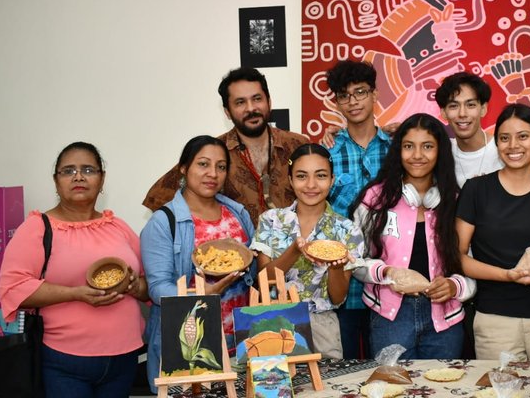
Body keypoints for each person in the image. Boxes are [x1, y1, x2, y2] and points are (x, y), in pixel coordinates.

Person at [0, 142, 149, 398]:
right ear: (56, 181)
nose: (78, 176)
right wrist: (76, 293)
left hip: (124, 358)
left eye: (88, 170)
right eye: (68, 171)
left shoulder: (117, 227)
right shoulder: (38, 227)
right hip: (64, 362)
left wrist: (134, 286)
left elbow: (149, 285)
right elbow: (13, 289)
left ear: (102, 180)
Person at [456, 103, 530, 361]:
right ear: (496, 144)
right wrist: (508, 275)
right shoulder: (476, 190)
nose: (513, 146)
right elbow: (458, 257)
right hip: (496, 321)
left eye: (523, 136)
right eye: (504, 138)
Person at [352, 113, 475, 359]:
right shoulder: (375, 199)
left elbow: (473, 262)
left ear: (440, 151)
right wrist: (387, 273)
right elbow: (353, 260)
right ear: (398, 151)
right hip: (390, 318)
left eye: (427, 146)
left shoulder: (456, 201)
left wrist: (454, 285)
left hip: (445, 321)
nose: (417, 155)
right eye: (408, 146)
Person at [140, 135, 257, 393]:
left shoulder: (238, 213)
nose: (212, 173)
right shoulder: (163, 222)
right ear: (184, 168)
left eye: (221, 167)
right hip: (191, 346)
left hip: (240, 343)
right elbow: (158, 288)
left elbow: (253, 269)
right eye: (203, 164)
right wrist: (200, 295)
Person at [142, 67, 309, 226]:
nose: (251, 108)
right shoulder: (212, 152)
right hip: (236, 252)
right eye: (240, 102)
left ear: (269, 102)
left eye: (257, 99)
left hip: (294, 251)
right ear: (227, 112)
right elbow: (158, 198)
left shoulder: (298, 145)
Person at [249, 143, 363, 359]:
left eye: (320, 176)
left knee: (324, 391)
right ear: (290, 181)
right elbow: (263, 282)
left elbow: (338, 298)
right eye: (302, 176)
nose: (311, 185)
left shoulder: (348, 230)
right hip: (273, 322)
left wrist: (336, 268)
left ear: (331, 180)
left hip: (322, 327)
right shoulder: (271, 220)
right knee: (274, 391)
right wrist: (294, 251)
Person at [323, 60, 392, 359]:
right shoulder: (326, 153)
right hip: (344, 284)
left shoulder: (398, 148)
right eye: (344, 95)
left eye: (360, 92)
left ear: (375, 94)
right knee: (344, 370)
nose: (353, 102)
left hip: (390, 280)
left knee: (390, 368)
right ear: (336, 102)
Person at [435, 71, 530, 187]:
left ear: (483, 109)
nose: (462, 113)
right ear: (443, 113)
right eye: (454, 106)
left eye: (470, 105)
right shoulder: (440, 154)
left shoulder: (508, 149)